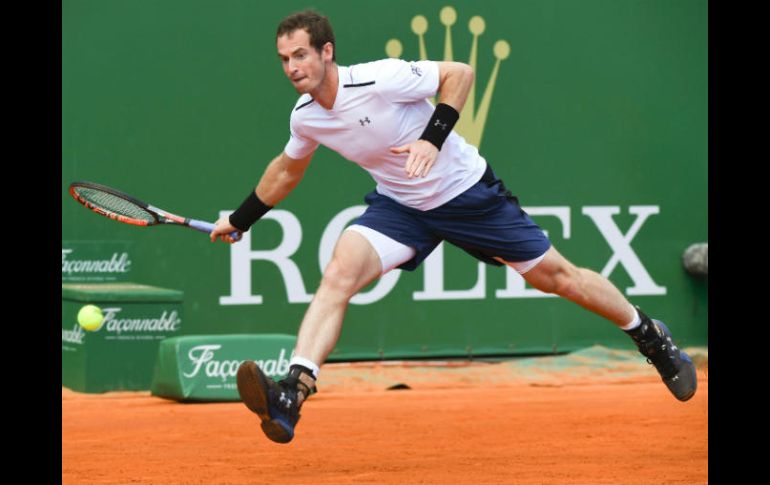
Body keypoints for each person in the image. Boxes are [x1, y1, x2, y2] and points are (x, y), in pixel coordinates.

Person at [210, 9, 697, 444]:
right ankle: (293, 392)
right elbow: (286, 170)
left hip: (467, 196)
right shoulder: (307, 118)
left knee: (557, 278)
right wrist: (240, 219)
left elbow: (460, 74)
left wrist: (432, 140)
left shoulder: (379, 79)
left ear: (326, 51)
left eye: (300, 55)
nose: (293, 67)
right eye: (284, 59)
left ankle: (648, 333)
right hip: (400, 206)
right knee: (340, 271)